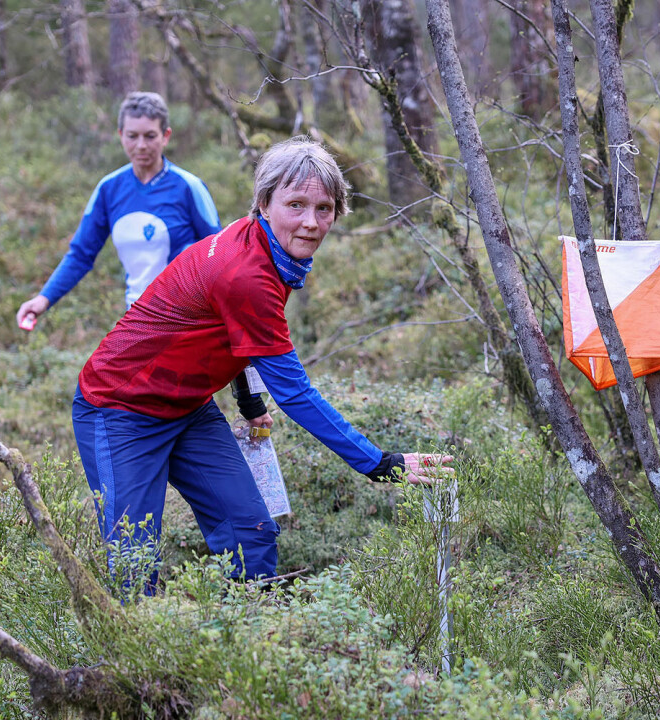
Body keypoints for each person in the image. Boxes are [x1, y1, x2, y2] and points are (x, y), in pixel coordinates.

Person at [71, 136, 452, 590]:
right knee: (134, 563)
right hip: (118, 410)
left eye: (324, 208)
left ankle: (252, 643)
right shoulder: (247, 274)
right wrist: (379, 463)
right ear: (264, 204)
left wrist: (249, 402)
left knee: (250, 534)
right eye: (296, 205)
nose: (311, 223)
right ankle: (136, 658)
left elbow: (237, 337)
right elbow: (295, 394)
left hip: (186, 407)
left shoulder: (267, 248)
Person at [15, 91, 222, 327]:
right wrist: (43, 299)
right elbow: (81, 254)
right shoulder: (109, 189)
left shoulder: (189, 187)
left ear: (166, 136)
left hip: (191, 320)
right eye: (132, 136)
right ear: (121, 135)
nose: (141, 145)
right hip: (138, 319)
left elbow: (220, 257)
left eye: (150, 136)